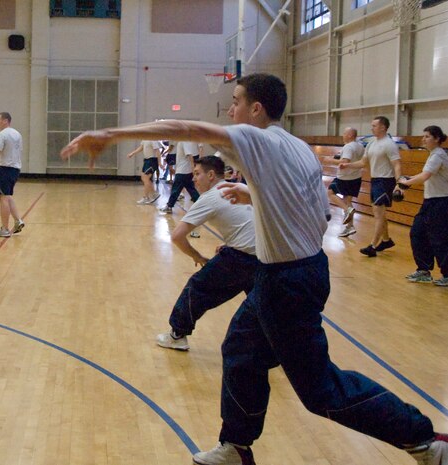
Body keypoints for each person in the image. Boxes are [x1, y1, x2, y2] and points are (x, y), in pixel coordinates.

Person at [60, 73, 448, 465]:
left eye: (236, 101)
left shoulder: (256, 140)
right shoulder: (294, 146)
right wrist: (256, 195)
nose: (231, 110)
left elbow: (182, 126)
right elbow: (319, 212)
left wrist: (108, 134)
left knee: (321, 390)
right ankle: (236, 446)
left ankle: (424, 441)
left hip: (288, 282)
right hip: (291, 273)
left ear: (256, 108)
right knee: (241, 349)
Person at [156, 155, 258, 351]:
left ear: (211, 175)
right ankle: (277, 345)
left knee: (197, 288)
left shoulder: (210, 197)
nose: (193, 178)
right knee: (262, 304)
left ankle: (177, 334)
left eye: (197, 174)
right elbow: (247, 223)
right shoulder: (238, 189)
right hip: (266, 257)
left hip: (242, 258)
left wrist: (198, 257)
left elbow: (177, 236)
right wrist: (229, 244)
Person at [340, 116, 402, 257]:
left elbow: (397, 164)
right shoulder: (371, 144)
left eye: (374, 125)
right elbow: (363, 162)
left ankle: (373, 245)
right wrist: (347, 165)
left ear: (383, 127)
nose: (371, 128)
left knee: (379, 213)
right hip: (375, 181)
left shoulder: (389, 144)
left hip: (386, 181)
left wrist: (399, 183)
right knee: (379, 213)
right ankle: (386, 240)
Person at [398, 125, 448, 287]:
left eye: (427, 136)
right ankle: (424, 270)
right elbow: (424, 175)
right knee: (418, 233)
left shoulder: (438, 155)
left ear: (437, 139)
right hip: (430, 202)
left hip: (440, 203)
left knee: (439, 239)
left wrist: (405, 184)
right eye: (423, 136)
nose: (423, 139)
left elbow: (426, 175)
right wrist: (409, 179)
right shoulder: (433, 155)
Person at [327, 127, 364, 237]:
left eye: (344, 133)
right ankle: (350, 227)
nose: (343, 135)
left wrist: (330, 160)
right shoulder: (360, 146)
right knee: (347, 200)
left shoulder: (348, 147)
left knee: (330, 193)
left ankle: (347, 210)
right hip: (356, 177)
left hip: (344, 178)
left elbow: (344, 163)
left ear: (350, 135)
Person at [159, 141, 200, 214]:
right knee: (191, 189)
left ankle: (169, 206)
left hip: (183, 171)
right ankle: (202, 206)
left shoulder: (184, 142)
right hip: (185, 170)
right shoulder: (182, 142)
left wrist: (193, 168)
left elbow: (190, 155)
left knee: (176, 189)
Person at [126, 140, 162, 204]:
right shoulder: (145, 139)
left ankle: (146, 197)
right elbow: (141, 147)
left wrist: (159, 163)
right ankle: (154, 194)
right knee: (144, 178)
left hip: (152, 161)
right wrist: (132, 153)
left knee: (146, 178)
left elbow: (157, 151)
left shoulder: (153, 139)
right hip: (146, 160)